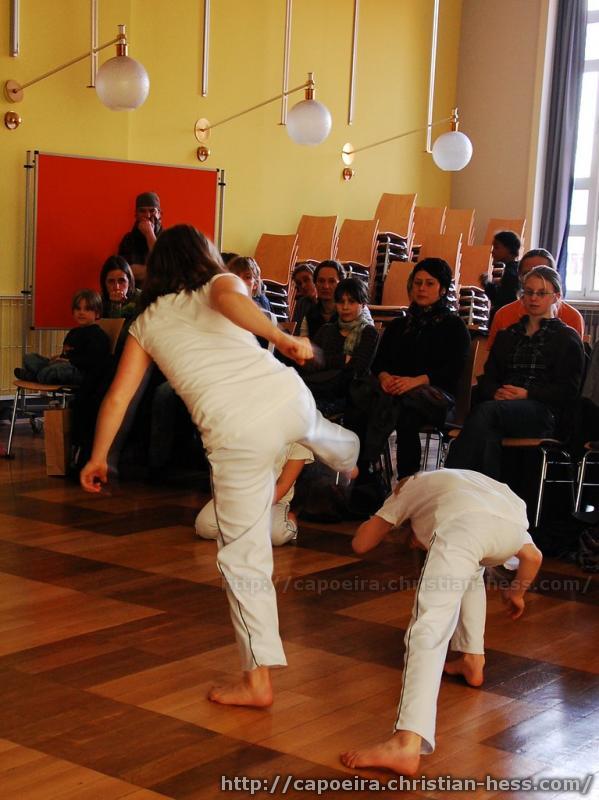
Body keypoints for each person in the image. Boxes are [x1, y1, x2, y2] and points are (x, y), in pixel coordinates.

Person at [80, 224, 359, 708]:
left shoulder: (145, 323)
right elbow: (232, 300)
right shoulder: (219, 281)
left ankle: (257, 681)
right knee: (313, 426)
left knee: (243, 558)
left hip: (237, 436)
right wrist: (280, 338)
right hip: (285, 396)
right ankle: (346, 456)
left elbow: (119, 396)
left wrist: (99, 456)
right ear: (203, 256)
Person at [341, 468, 543, 776]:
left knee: (427, 629)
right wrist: (517, 593)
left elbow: (361, 543)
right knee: (471, 568)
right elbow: (533, 557)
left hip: (462, 529)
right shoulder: (467, 485)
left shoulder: (408, 488)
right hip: (506, 528)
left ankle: (406, 743)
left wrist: (386, 513)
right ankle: (473, 660)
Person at [446, 267, 585, 479]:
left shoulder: (566, 338)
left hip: (542, 411)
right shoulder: (508, 335)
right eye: (528, 292)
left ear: (556, 296)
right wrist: (497, 392)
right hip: (501, 407)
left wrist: (527, 394)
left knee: (486, 414)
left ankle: (450, 479)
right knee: (488, 435)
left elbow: (568, 390)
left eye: (541, 293)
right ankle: (489, 493)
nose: (533, 298)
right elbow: (488, 378)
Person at [356, 258, 470, 479]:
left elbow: (452, 370)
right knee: (361, 403)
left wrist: (416, 381)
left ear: (442, 289)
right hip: (396, 390)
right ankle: (365, 476)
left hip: (436, 396)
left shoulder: (454, 326)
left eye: (429, 283)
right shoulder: (399, 325)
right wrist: (385, 377)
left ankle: (405, 479)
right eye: (417, 283)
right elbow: (379, 363)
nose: (421, 288)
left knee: (405, 412)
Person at [195, 441, 313, 545]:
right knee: (205, 527)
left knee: (277, 536)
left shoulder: (299, 441)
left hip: (273, 501)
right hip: (237, 496)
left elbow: (283, 485)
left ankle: (290, 521)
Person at [301, 277, 379, 414]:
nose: (345, 307)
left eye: (352, 302)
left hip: (350, 395)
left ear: (362, 304)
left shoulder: (369, 332)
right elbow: (309, 363)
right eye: (341, 302)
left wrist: (324, 361)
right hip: (320, 388)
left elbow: (358, 369)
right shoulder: (326, 330)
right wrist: (342, 360)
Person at [486, 248, 584, 348]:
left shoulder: (572, 318)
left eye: (542, 273)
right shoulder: (503, 315)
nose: (534, 278)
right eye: (527, 273)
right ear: (519, 277)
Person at [15, 289, 109, 386]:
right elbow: (66, 353)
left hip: (80, 372)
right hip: (63, 365)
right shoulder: (73, 332)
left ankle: (34, 376)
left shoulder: (98, 335)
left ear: (97, 313)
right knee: (29, 358)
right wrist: (57, 358)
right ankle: (40, 375)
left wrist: (68, 361)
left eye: (87, 309)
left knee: (58, 370)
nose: (81, 312)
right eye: (78, 309)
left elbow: (93, 361)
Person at [118, 192, 162, 286]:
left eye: (152, 211)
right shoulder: (128, 240)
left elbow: (163, 262)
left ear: (159, 214)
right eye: (142, 211)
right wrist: (158, 271)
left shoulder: (169, 238)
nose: (148, 215)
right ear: (136, 214)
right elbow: (127, 271)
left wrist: (149, 234)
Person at [299, 260, 346, 338]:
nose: (326, 286)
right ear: (315, 284)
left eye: (332, 281)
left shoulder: (350, 312)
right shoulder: (310, 315)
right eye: (321, 281)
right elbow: (303, 342)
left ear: (341, 285)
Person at [483, 230, 521, 313]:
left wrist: (487, 284)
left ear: (509, 249)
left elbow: (501, 301)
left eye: (496, 247)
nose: (492, 251)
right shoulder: (514, 268)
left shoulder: (511, 273)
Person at [99, 255, 141, 319]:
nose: (116, 287)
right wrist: (115, 305)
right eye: (111, 281)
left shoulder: (141, 298)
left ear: (129, 282)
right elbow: (112, 325)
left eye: (121, 281)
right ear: (104, 284)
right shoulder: (99, 303)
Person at [291, 263, 317, 328]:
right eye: (299, 283)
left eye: (306, 280)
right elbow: (296, 329)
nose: (303, 286)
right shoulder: (301, 303)